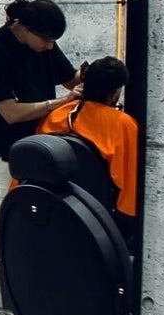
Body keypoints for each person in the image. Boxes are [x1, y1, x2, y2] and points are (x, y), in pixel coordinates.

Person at [0, 0, 74, 315]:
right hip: (0, 151)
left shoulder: (44, 46)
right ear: (25, 28)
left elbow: (72, 79)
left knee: (32, 227)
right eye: (45, 40)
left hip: (39, 151)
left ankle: (28, 305)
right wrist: (59, 102)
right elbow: (10, 112)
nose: (49, 48)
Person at [38, 56, 140, 220]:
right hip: (99, 216)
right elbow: (127, 185)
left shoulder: (57, 116)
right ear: (115, 92)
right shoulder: (122, 124)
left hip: (52, 210)